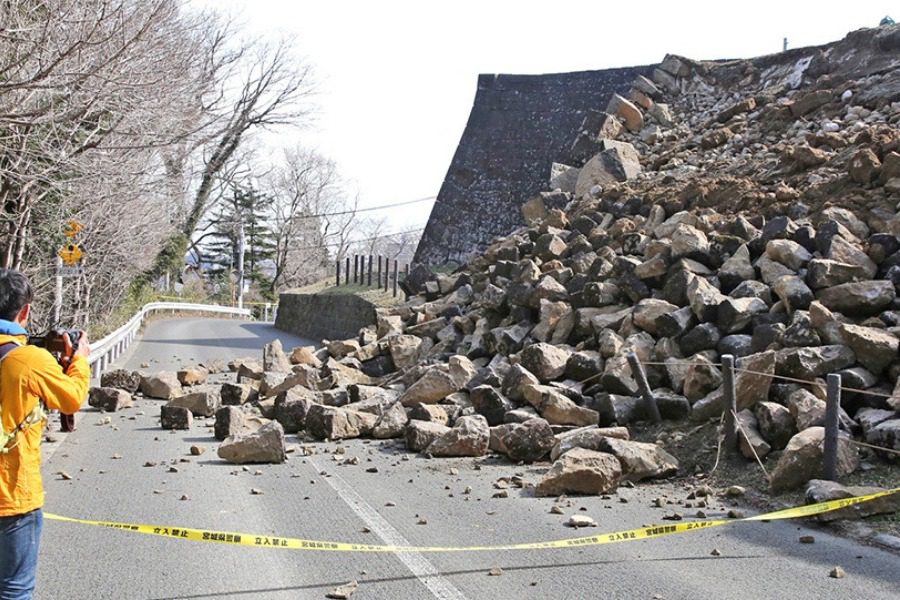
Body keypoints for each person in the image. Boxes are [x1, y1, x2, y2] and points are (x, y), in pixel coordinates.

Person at [0, 269, 89, 599]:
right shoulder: (28, 360)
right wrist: (78, 360)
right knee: (14, 589)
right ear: (24, 311)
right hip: (11, 497)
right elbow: (72, 398)